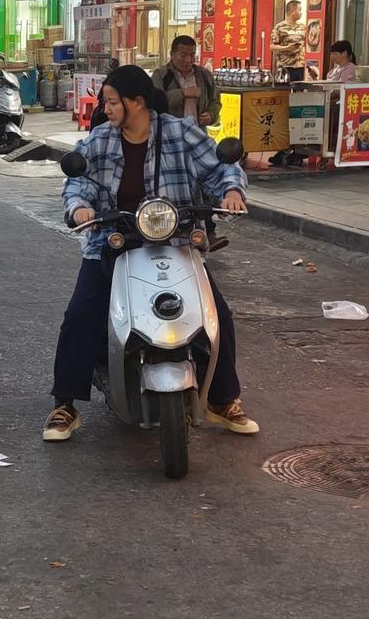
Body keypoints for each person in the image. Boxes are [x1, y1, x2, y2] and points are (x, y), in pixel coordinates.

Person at [43, 65, 258, 443]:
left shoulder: (180, 133)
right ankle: (66, 404)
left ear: (137, 102)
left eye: (113, 102)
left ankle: (223, 399)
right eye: (106, 102)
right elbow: (78, 182)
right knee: (81, 314)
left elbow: (220, 167)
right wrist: (79, 208)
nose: (107, 109)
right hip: (113, 242)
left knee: (216, 314)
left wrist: (231, 192)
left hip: (176, 242)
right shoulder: (101, 140)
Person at [157, 36, 219, 129]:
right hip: (169, 132)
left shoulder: (204, 75)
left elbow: (215, 100)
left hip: (197, 132)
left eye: (192, 55)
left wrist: (211, 115)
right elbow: (155, 102)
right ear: (172, 54)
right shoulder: (161, 75)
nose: (188, 60)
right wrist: (183, 93)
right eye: (183, 55)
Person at [270, 0, 309, 80]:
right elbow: (272, 46)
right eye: (299, 10)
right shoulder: (280, 27)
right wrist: (287, 48)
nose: (301, 13)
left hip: (301, 65)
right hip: (285, 66)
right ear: (292, 11)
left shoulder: (303, 27)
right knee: (285, 87)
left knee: (301, 86)